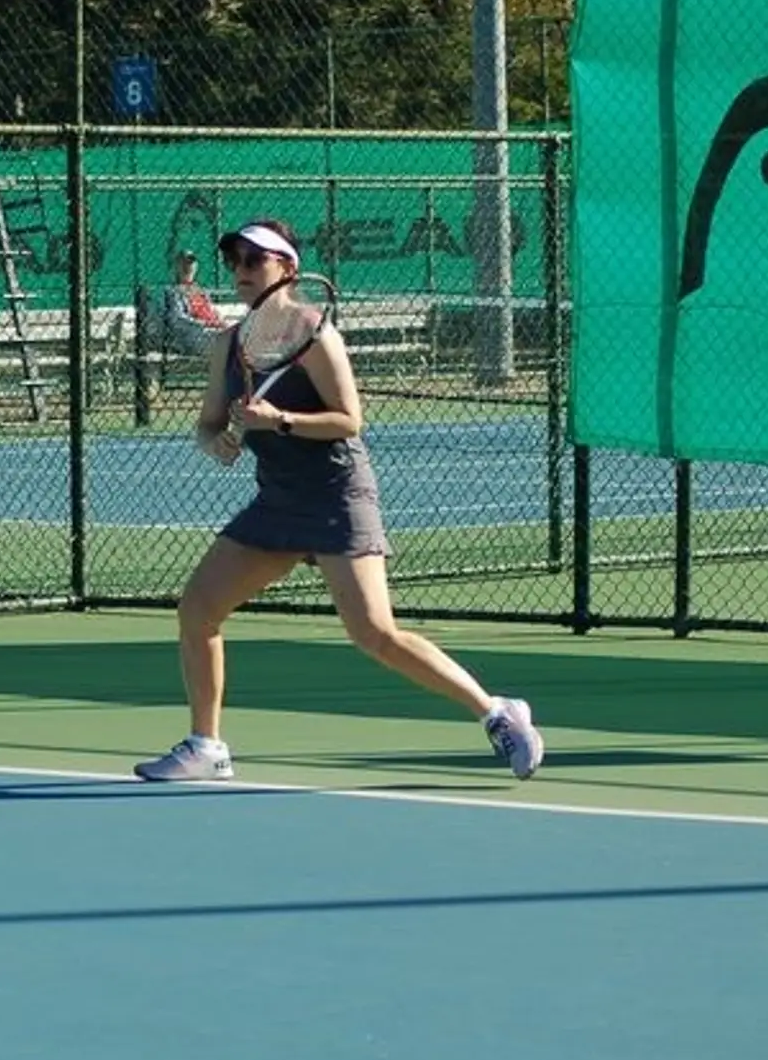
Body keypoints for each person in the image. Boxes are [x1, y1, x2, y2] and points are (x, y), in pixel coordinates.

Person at [133, 219, 545, 783]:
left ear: (288, 269)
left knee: (374, 633)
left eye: (255, 260)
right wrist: (220, 440)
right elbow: (206, 425)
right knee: (198, 608)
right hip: (278, 500)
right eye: (235, 261)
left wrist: (280, 420)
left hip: (336, 492)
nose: (242, 271)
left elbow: (348, 420)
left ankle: (498, 713)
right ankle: (208, 745)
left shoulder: (313, 331)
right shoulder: (229, 344)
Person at [150, 249, 224, 358]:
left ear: (196, 267)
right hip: (192, 337)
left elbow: (212, 312)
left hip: (211, 331)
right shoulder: (172, 291)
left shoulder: (200, 290)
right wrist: (203, 323)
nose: (187, 267)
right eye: (183, 264)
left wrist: (219, 320)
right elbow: (177, 320)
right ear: (176, 267)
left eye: (190, 264)